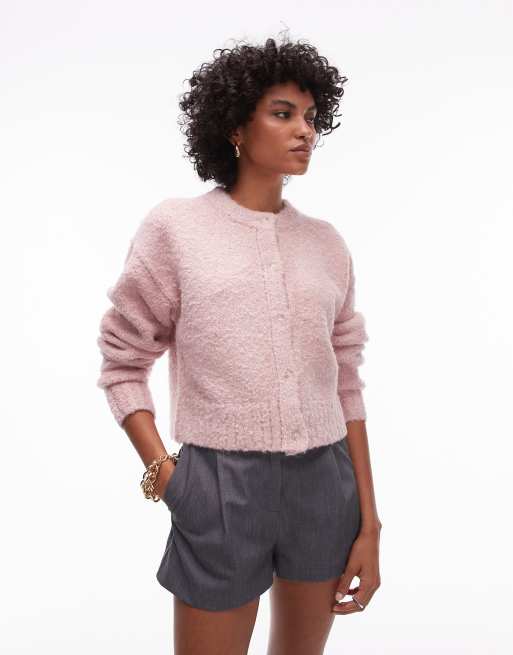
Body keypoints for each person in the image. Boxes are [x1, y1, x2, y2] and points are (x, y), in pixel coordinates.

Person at [96, 32, 382, 655]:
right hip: (218, 485)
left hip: (324, 484)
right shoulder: (176, 229)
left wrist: (370, 522)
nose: (304, 130)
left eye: (311, 117)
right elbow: (122, 362)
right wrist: (165, 473)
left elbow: (347, 382)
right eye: (283, 114)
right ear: (234, 128)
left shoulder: (327, 243)